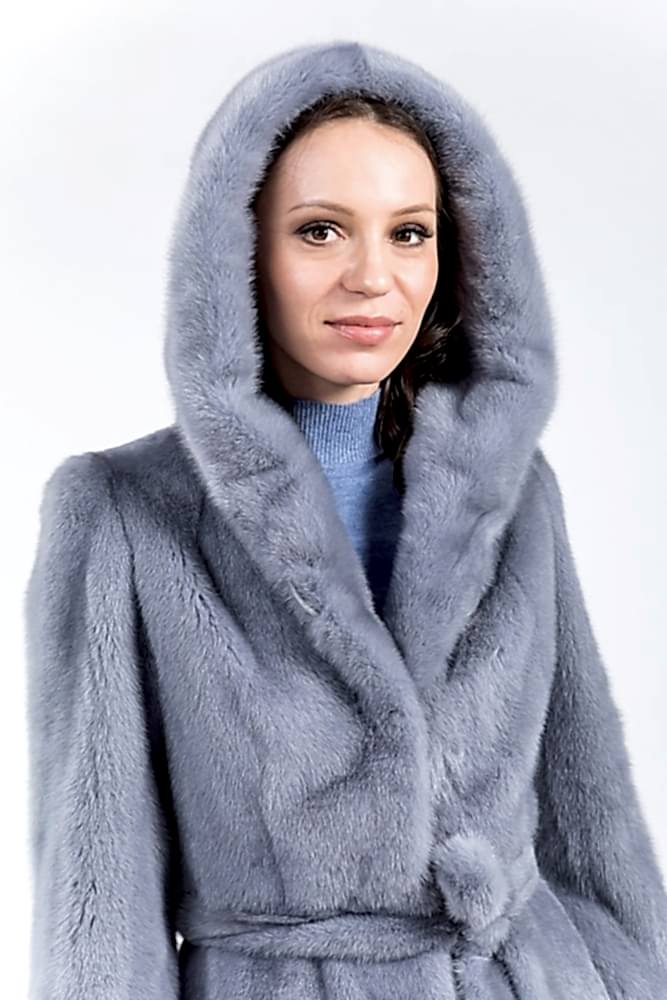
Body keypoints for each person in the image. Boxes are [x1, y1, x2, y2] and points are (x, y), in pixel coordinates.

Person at [24, 39, 667, 1000]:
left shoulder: (512, 490)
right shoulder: (123, 513)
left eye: (409, 233)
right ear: (238, 250)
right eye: (320, 230)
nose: (372, 277)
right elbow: (96, 893)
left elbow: (596, 830)